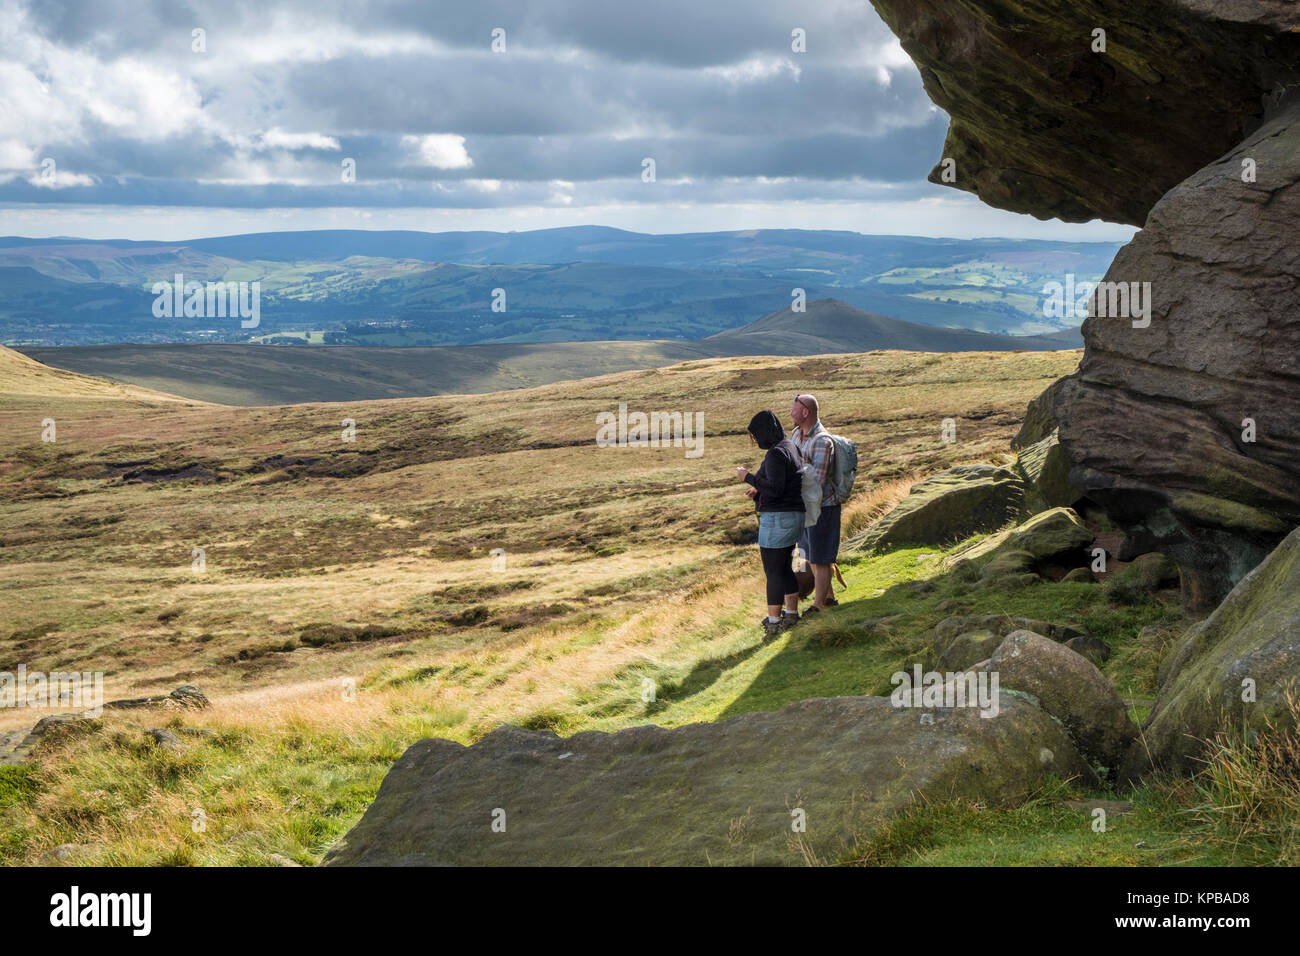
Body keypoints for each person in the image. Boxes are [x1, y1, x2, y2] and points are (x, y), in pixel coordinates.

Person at [735, 410, 805, 640]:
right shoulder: (790, 446)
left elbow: (775, 488)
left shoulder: (775, 454)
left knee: (773, 571)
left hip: (778, 519)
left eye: (755, 436)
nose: (755, 441)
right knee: (784, 567)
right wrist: (758, 493)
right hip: (793, 516)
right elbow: (782, 486)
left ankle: (774, 623)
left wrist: (748, 477)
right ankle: (792, 614)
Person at [790, 393, 841, 613]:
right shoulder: (795, 435)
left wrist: (794, 478)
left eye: (794, 408)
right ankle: (829, 597)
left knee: (820, 558)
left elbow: (817, 481)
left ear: (805, 412)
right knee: (808, 554)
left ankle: (818, 606)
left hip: (823, 508)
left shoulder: (822, 441)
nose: (790, 412)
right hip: (804, 507)